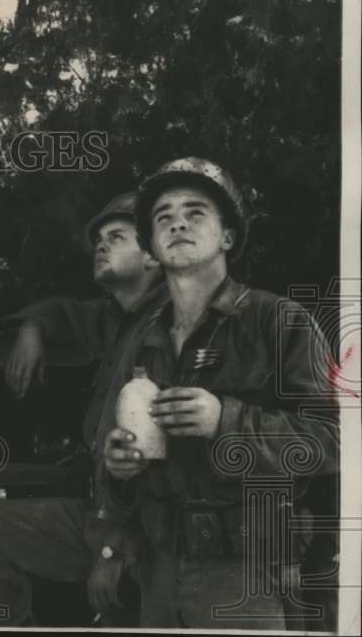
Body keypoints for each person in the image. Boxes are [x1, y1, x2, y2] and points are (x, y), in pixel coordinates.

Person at [100, 157, 340, 629]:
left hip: (249, 574)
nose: (178, 223)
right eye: (163, 217)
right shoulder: (142, 339)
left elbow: (337, 441)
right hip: (159, 572)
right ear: (152, 245)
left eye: (196, 212)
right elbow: (124, 470)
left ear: (227, 237)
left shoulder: (279, 320)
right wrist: (119, 468)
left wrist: (225, 420)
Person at [0, 191, 165, 625]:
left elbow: (156, 464)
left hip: (144, 533)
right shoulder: (118, 318)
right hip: (102, 516)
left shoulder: (171, 324)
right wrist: (33, 326)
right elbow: (65, 312)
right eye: (98, 238)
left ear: (154, 256)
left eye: (117, 236)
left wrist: (114, 548)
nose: (101, 245)